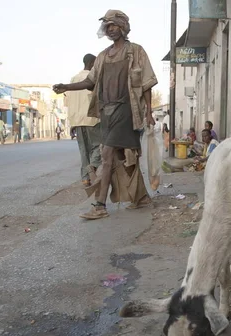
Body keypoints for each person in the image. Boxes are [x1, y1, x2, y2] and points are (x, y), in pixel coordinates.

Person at [53, 9, 158, 220]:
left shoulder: (136, 51)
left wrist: (148, 112)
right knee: (126, 156)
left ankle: (100, 205)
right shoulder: (102, 57)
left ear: (123, 27)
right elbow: (89, 82)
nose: (110, 30)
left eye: (114, 25)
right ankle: (141, 197)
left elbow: (147, 83)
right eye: (107, 26)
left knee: (108, 155)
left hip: (127, 111)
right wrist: (66, 86)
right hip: (106, 113)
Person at [65, 53, 103, 187]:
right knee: (98, 145)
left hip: (77, 120)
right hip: (92, 119)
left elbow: (68, 101)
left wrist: (71, 123)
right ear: (92, 63)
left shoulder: (74, 79)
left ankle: (86, 178)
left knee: (84, 150)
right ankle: (93, 166)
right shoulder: (93, 78)